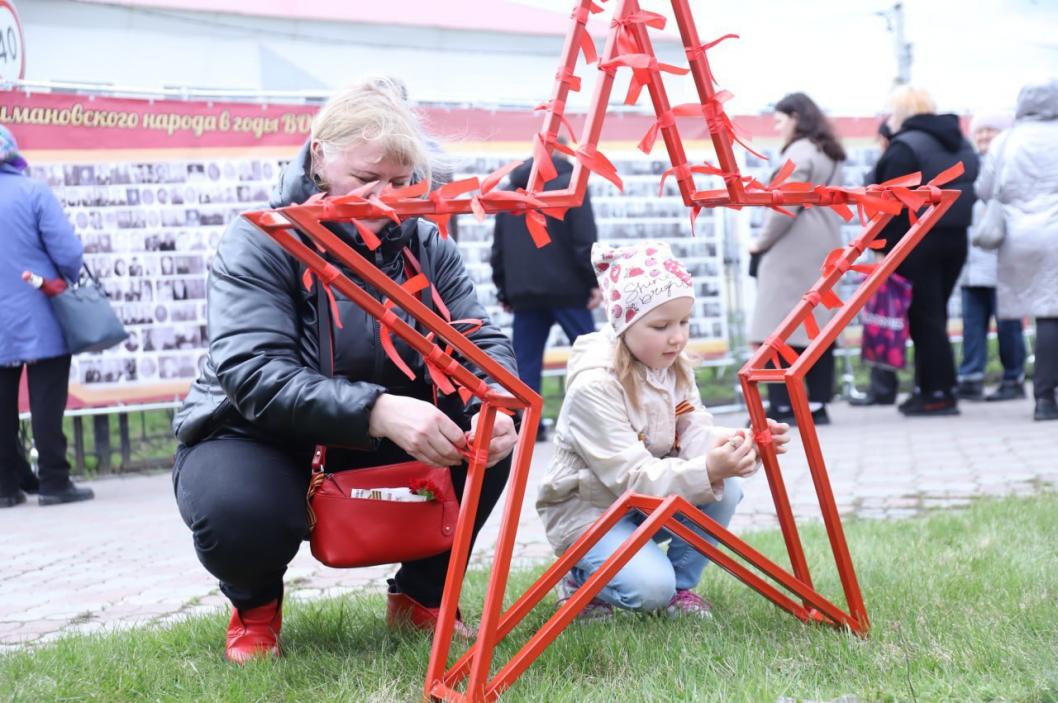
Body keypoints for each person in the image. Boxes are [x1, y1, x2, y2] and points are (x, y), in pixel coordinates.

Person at [170, 78, 519, 663]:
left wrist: (494, 404)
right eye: (365, 181)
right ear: (318, 158)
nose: (386, 199)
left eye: (403, 182)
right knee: (239, 508)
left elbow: (479, 338)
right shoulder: (259, 239)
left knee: (486, 442)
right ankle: (255, 608)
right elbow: (252, 371)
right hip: (257, 432)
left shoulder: (427, 242)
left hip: (379, 431)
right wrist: (377, 409)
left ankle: (423, 596)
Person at [536, 241, 791, 620]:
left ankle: (680, 590)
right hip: (589, 511)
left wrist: (738, 443)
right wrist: (709, 469)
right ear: (624, 325)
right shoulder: (595, 386)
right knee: (649, 589)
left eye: (684, 322)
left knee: (726, 489)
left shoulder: (670, 363)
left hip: (639, 500)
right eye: (661, 326)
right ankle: (581, 576)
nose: (678, 337)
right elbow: (631, 477)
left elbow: (692, 428)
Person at [0, 124, 95, 508]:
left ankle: (5, 487)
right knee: (46, 399)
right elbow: (68, 252)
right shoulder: (33, 191)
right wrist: (66, 279)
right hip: (39, 311)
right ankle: (54, 481)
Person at [874, 86, 979, 416]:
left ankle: (937, 394)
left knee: (925, 318)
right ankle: (932, 388)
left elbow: (887, 204)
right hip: (955, 238)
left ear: (902, 114)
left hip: (916, 241)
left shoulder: (905, 146)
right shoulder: (960, 141)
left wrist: (882, 249)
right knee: (935, 315)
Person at [747, 93, 846, 425]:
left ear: (795, 117)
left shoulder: (799, 154)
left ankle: (783, 407)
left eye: (779, 120)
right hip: (824, 243)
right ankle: (817, 405)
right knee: (816, 326)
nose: (777, 128)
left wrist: (760, 243)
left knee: (779, 327)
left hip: (792, 246)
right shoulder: (828, 152)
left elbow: (784, 206)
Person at [491, 149, 601, 440]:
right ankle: (600, 422)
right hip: (569, 290)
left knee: (525, 364)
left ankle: (528, 428)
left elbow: (498, 248)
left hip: (524, 293)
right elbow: (584, 239)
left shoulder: (511, 191)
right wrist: (594, 281)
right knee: (593, 358)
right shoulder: (571, 186)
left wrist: (504, 288)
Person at [975, 78, 1058, 422]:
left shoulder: (1006, 141)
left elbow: (984, 189)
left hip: (1021, 237)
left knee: (1046, 313)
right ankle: (1046, 396)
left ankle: (1044, 398)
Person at [955, 111, 1027, 402]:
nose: (984, 137)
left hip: (1002, 257)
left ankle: (1014, 377)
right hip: (973, 261)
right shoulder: (970, 164)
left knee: (1008, 321)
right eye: (980, 132)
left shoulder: (1011, 163)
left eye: (990, 131)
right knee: (972, 324)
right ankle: (971, 376)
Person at [851, 119, 901, 407]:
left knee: (882, 322)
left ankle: (882, 388)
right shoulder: (901, 159)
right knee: (888, 322)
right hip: (894, 250)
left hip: (884, 252)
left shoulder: (890, 162)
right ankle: (885, 386)